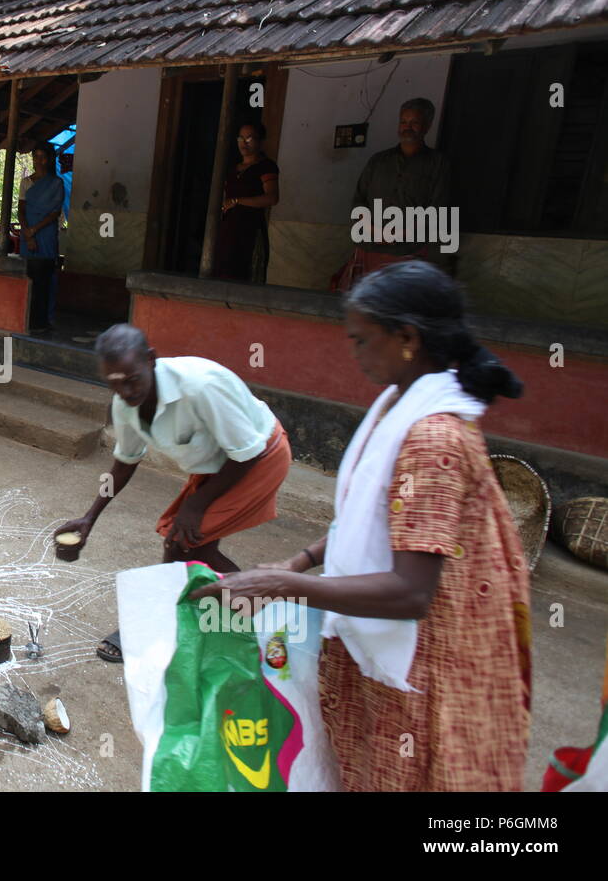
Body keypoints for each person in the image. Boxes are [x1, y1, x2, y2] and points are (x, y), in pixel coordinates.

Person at [192, 261, 529, 791]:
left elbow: (412, 592)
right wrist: (300, 561)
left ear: (408, 337)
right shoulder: (398, 401)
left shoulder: (433, 438)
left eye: (362, 340)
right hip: (377, 635)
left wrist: (283, 586)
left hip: (425, 657)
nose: (354, 353)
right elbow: (372, 520)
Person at [54, 324, 291, 663]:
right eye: (114, 383)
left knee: (184, 542)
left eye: (133, 379)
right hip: (219, 464)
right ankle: (241, 616)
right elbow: (124, 462)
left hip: (258, 456)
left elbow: (247, 452)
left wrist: (197, 503)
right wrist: (89, 517)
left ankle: (267, 619)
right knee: (188, 544)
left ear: (152, 360)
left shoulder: (201, 386)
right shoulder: (125, 403)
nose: (126, 391)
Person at [333, 97, 450, 290]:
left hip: (408, 251)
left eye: (414, 123)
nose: (407, 127)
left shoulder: (438, 164)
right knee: (364, 307)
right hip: (369, 247)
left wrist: (399, 234)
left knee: (396, 308)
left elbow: (437, 209)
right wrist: (374, 230)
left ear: (427, 126)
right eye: (403, 121)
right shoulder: (378, 161)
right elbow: (359, 201)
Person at [211, 122, 279, 282]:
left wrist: (237, 201)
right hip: (229, 229)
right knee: (222, 272)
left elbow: (272, 198)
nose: (244, 143)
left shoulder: (266, 166)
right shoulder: (233, 169)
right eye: (241, 138)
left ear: (260, 141)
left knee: (244, 276)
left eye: (249, 138)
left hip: (250, 230)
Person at [18, 141, 66, 331]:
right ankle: (26, 319)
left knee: (44, 278)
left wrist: (34, 230)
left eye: (42, 157)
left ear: (50, 159)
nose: (39, 161)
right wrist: (27, 233)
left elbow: (54, 213)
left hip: (45, 235)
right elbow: (21, 209)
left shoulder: (56, 183)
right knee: (28, 276)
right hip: (27, 234)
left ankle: (43, 320)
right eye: (35, 156)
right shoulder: (26, 182)